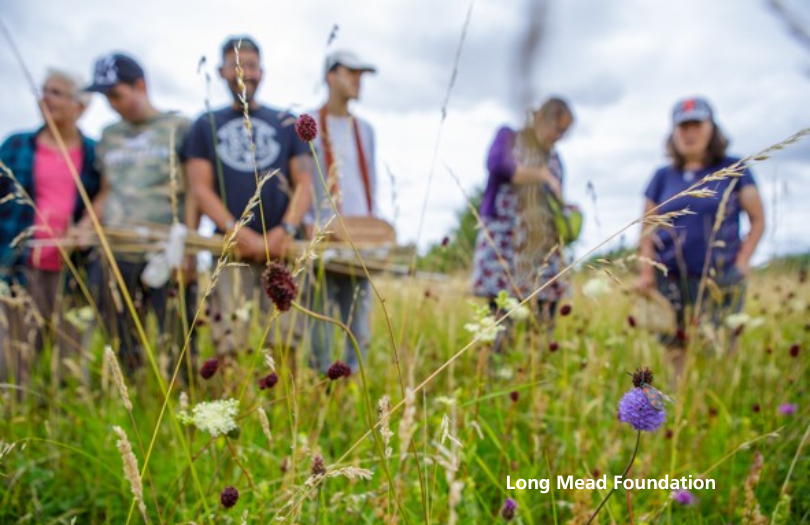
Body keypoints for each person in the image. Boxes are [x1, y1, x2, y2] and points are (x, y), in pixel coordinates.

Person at [181, 36, 313, 356]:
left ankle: (283, 404)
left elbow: (305, 182)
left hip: (284, 248)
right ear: (222, 71)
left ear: (262, 71)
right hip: (228, 250)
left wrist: (286, 230)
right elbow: (199, 188)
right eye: (237, 66)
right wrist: (234, 232)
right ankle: (232, 400)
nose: (245, 73)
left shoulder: (286, 123)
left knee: (285, 342)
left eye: (251, 65)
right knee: (228, 339)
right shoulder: (204, 125)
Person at [82, 53, 197, 375]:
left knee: (177, 337)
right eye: (106, 98)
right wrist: (84, 226)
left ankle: (181, 398)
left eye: (117, 95)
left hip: (164, 248)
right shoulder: (109, 135)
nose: (113, 104)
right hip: (117, 249)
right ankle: (131, 400)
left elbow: (192, 191)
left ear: (140, 85)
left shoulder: (179, 127)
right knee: (121, 339)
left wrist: (188, 247)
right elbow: (106, 191)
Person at [637, 97, 765, 377]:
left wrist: (742, 262)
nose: (689, 132)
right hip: (669, 278)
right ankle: (681, 398)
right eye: (682, 126)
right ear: (673, 132)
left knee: (718, 343)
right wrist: (646, 271)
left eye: (696, 124)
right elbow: (646, 228)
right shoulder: (661, 176)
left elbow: (758, 219)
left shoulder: (735, 169)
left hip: (720, 277)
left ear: (711, 129)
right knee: (674, 343)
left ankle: (714, 397)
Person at [0, 68, 101, 385]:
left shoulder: (94, 154)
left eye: (56, 92)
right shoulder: (16, 146)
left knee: (70, 361)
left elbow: (106, 199)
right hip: (18, 265)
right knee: (13, 357)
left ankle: (64, 419)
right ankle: (16, 420)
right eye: (44, 91)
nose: (45, 98)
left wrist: (85, 227)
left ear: (80, 106)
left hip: (73, 272)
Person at [470, 98, 574, 332]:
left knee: (543, 317)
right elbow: (499, 166)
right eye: (556, 128)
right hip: (505, 242)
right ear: (540, 118)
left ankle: (537, 363)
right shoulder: (509, 138)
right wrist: (543, 176)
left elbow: (557, 200)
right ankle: (497, 364)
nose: (558, 136)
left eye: (564, 132)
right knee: (500, 315)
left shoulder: (556, 159)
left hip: (542, 247)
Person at [304, 49, 378, 373]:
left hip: (360, 237)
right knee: (318, 315)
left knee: (358, 317)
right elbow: (303, 181)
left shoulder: (366, 131)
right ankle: (321, 377)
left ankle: (353, 379)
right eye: (351, 73)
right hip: (322, 234)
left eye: (361, 76)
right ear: (330, 76)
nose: (357, 82)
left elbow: (369, 181)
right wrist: (310, 225)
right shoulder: (308, 125)